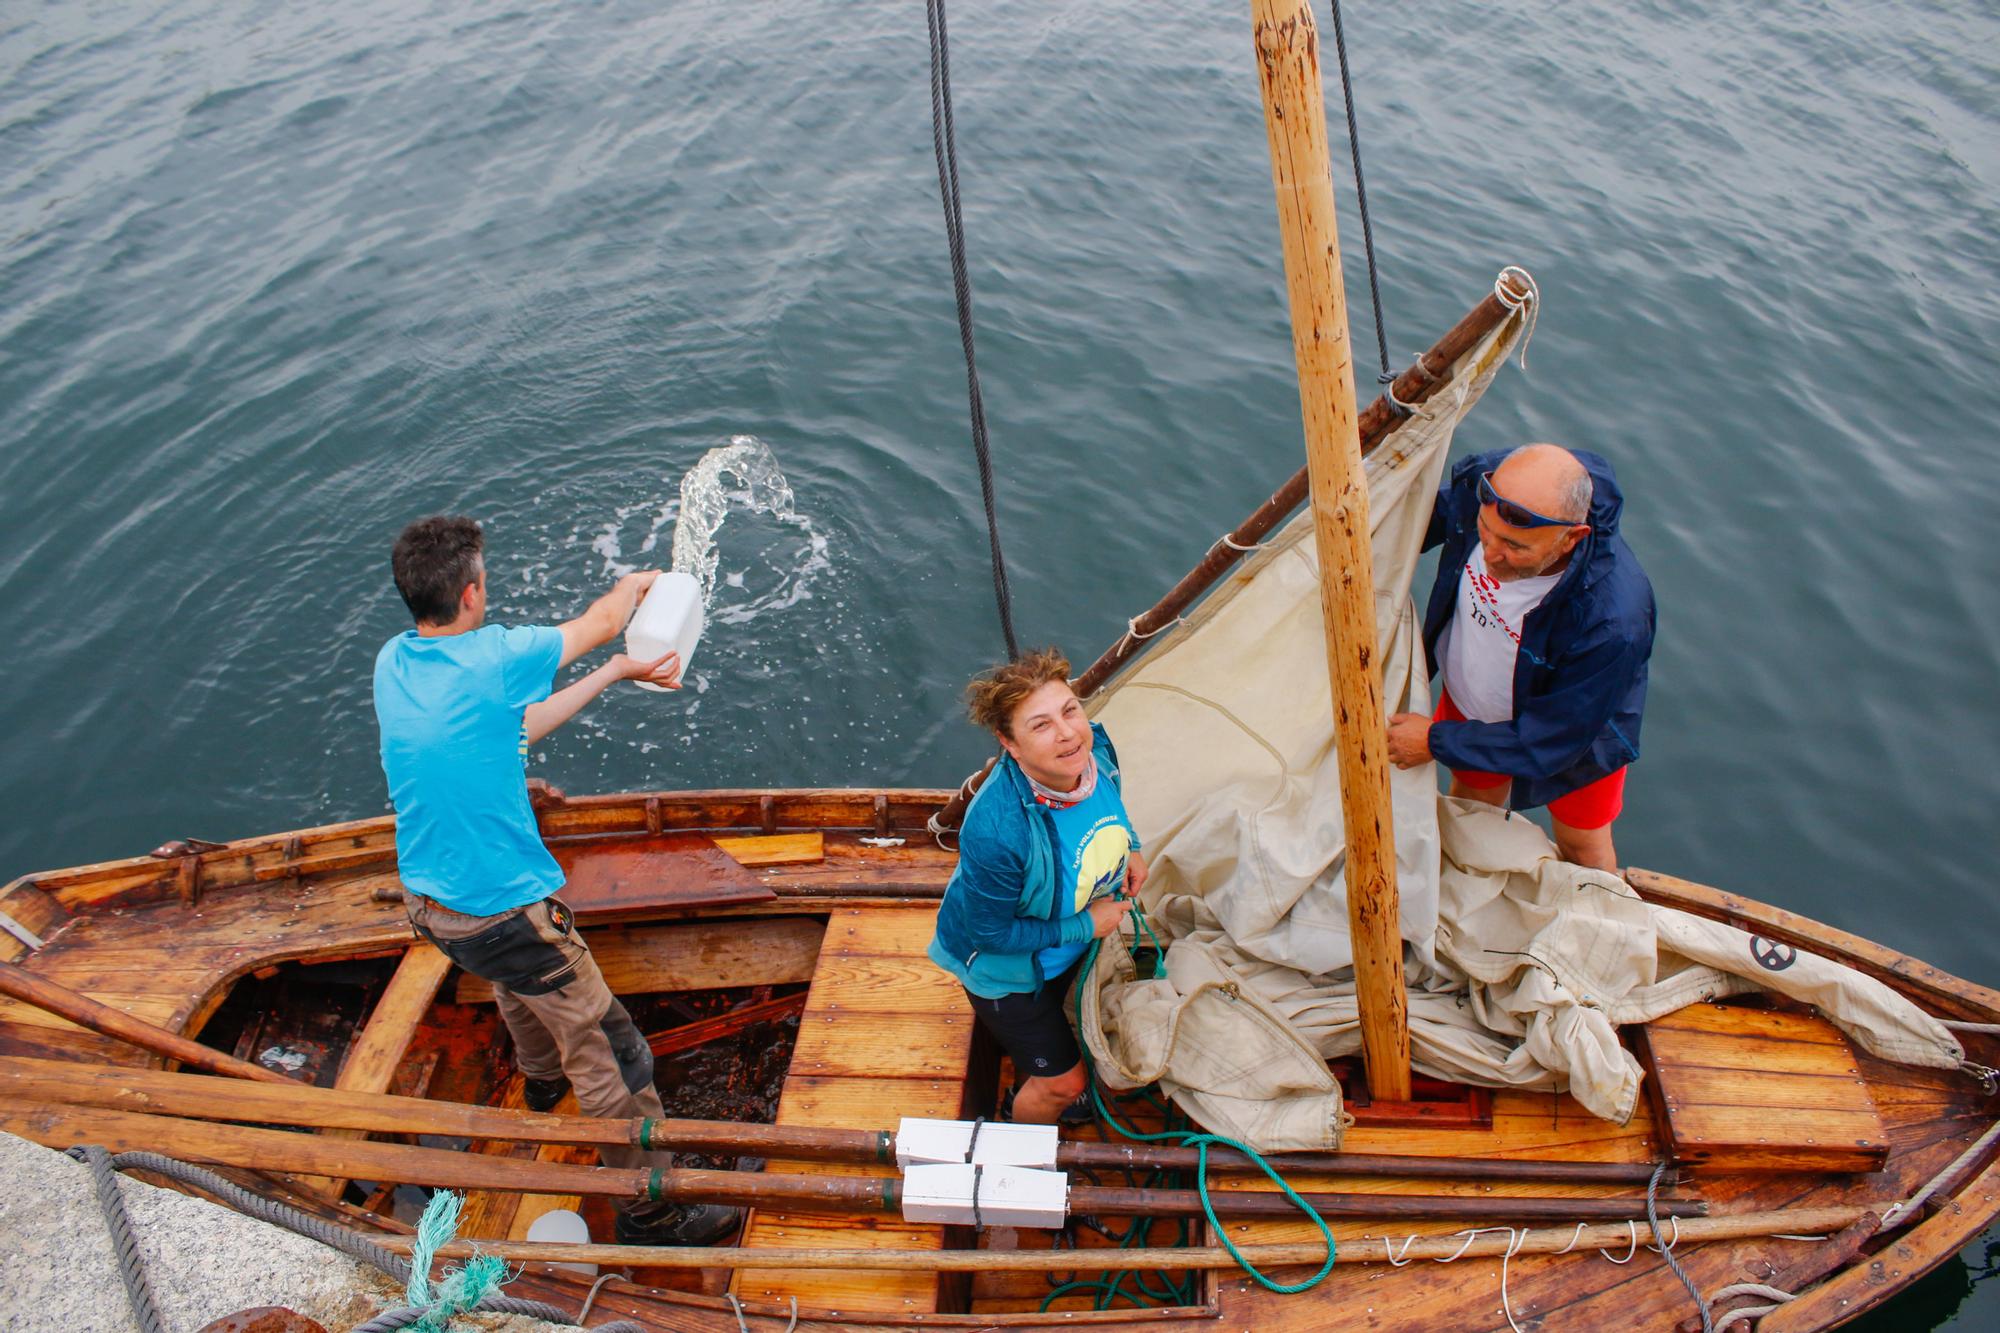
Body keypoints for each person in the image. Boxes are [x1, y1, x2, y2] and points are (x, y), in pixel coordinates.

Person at [372, 514, 738, 1246]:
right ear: (472, 591)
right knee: (613, 1051)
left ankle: (541, 1083)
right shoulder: (496, 655)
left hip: (433, 905)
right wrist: (645, 585)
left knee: (517, 985)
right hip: (507, 915)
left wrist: (610, 674)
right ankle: (651, 1208)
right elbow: (604, 620)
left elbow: (509, 732)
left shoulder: (396, 662)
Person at [1384, 444, 1655, 871]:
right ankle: (1460, 885)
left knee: (1583, 843)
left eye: (1514, 547)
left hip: (1575, 735)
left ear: (1573, 537)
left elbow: (1552, 740)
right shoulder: (1489, 490)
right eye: (1483, 531)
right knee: (1467, 811)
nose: (1490, 554)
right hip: (1473, 699)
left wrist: (1434, 740)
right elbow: (1416, 522)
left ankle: (1600, 920)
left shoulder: (1613, 623)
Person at [927, 650, 1144, 1125]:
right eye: (1040, 725)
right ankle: (1020, 1135)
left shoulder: (1094, 754)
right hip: (1006, 974)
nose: (1067, 732)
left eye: (1070, 710)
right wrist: (1087, 925)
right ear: (1011, 744)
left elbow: (1113, 806)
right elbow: (990, 936)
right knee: (1062, 1084)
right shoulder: (998, 830)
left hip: (1062, 953)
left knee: (1060, 1026)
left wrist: (1133, 848)